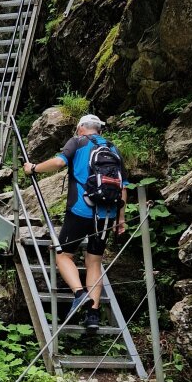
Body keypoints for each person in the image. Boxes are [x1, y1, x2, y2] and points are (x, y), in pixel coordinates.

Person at [23, 113, 127, 332]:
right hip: (106, 213)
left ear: (81, 128)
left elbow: (59, 162)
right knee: (94, 261)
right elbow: (123, 186)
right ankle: (93, 315)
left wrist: (33, 168)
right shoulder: (113, 149)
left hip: (81, 210)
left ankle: (80, 294)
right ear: (99, 129)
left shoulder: (78, 142)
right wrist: (121, 217)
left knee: (63, 254)